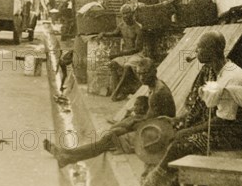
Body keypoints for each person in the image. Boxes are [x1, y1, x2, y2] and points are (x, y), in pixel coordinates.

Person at [115, 31, 242, 186]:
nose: (197, 50)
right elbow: (200, 107)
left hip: (231, 134)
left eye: (201, 47)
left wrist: (187, 130)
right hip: (215, 126)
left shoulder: (232, 77)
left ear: (214, 50)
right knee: (163, 134)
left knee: (179, 144)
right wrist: (177, 120)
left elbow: (223, 121)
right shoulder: (211, 70)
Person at [43, 58, 175, 168]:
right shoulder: (155, 86)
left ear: (154, 72)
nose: (141, 77)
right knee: (112, 134)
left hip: (157, 135)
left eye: (145, 73)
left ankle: (67, 156)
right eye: (139, 74)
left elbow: (147, 122)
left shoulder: (158, 93)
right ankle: (67, 155)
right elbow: (148, 118)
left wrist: (124, 127)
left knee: (109, 138)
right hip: (155, 127)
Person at [99, 3, 144, 101]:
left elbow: (137, 48)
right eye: (123, 14)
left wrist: (118, 54)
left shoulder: (138, 28)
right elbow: (114, 33)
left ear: (133, 14)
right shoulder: (122, 25)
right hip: (126, 54)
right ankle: (118, 91)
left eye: (128, 13)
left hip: (137, 55)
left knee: (128, 66)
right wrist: (104, 34)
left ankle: (117, 92)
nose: (125, 16)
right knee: (112, 64)